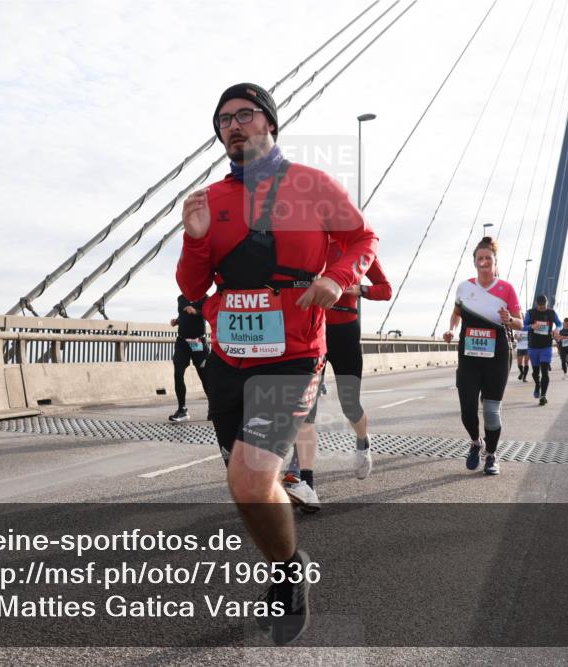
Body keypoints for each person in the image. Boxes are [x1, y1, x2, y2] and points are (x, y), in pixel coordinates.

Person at [176, 82, 378, 645]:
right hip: (228, 360)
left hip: (291, 356)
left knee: (250, 476)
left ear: (270, 123)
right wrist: (194, 242)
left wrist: (337, 279)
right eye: (223, 121)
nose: (233, 126)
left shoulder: (312, 185)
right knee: (243, 484)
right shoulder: (211, 201)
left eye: (245, 115)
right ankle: (287, 562)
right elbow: (194, 287)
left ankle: (289, 573)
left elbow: (362, 238)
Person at [283, 245, 393, 510]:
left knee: (350, 406)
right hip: (313, 330)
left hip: (345, 332)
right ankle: (303, 479)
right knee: (306, 406)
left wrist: (360, 289)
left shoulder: (360, 250)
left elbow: (386, 289)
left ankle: (363, 441)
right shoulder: (312, 244)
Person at [442, 236, 522, 475]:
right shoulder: (464, 287)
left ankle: (492, 455)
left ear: (495, 262)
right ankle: (476, 443)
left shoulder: (507, 289)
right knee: (467, 408)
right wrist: (451, 329)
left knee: (490, 410)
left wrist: (509, 320)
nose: (484, 262)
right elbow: (456, 313)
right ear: (474, 262)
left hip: (497, 354)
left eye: (488, 258)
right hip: (468, 353)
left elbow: (520, 323)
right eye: (480, 258)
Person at [168, 294, 209, 422]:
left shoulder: (205, 298)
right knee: (178, 373)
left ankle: (213, 407)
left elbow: (209, 315)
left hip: (198, 343)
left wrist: (196, 311)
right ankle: (182, 410)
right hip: (182, 343)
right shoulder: (181, 298)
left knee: (205, 376)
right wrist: (177, 321)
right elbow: (183, 314)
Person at [524, 294, 562, 406]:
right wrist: (531, 326)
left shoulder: (551, 313)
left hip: (546, 346)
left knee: (544, 371)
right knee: (535, 372)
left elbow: (559, 323)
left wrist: (557, 329)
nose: (542, 307)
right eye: (540, 306)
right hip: (533, 346)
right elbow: (522, 325)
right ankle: (537, 384)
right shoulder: (530, 313)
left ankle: (543, 396)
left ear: (547, 303)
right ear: (536, 303)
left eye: (544, 305)